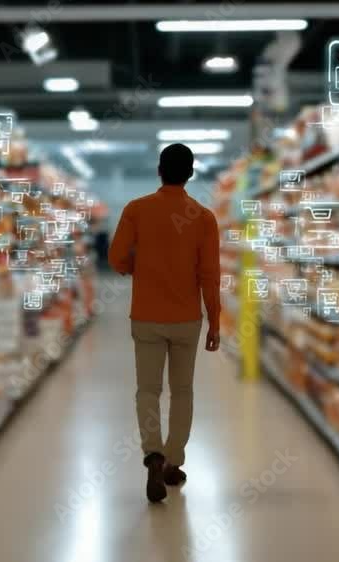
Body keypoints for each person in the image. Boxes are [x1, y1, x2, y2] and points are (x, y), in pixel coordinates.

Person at [109, 143, 221, 503]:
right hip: (187, 319)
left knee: (148, 390)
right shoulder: (203, 218)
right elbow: (210, 276)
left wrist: (133, 268)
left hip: (146, 315)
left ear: (160, 170)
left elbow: (116, 257)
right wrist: (215, 322)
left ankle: (153, 454)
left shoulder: (137, 210)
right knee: (183, 391)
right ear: (190, 174)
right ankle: (174, 461)